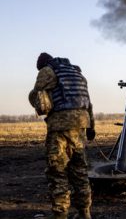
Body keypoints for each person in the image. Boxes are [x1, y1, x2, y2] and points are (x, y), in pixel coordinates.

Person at [29, 52, 95, 219]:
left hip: (59, 129)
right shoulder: (77, 73)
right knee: (80, 172)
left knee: (57, 172)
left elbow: (37, 96)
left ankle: (60, 216)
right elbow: (88, 102)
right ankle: (85, 214)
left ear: (43, 64)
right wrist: (91, 126)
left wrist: (35, 99)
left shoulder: (47, 71)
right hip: (80, 128)